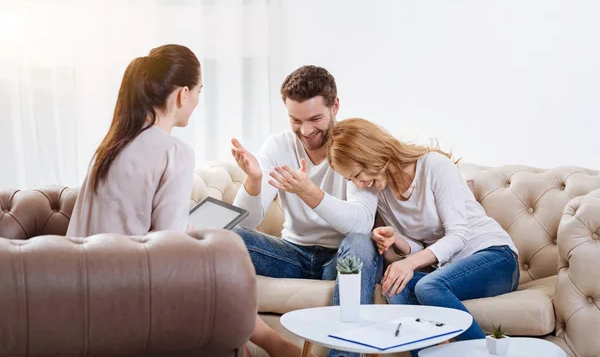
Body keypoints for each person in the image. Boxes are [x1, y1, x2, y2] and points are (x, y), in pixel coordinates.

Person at [66, 44, 305, 357]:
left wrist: (187, 229)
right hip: (129, 291)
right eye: (199, 91)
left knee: (218, 281)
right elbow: (169, 250)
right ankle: (276, 345)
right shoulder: (173, 152)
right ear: (182, 94)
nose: (196, 101)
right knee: (221, 274)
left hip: (81, 288)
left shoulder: (109, 147)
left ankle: (268, 344)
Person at [326, 118, 520, 356]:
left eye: (357, 174)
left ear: (371, 153)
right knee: (393, 287)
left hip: (496, 258)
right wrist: (396, 239)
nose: (359, 183)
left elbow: (458, 236)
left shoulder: (434, 166)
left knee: (428, 285)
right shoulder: (381, 190)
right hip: (449, 269)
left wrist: (408, 264)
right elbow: (424, 249)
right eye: (351, 180)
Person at [230, 66, 382, 357]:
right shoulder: (278, 146)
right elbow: (248, 221)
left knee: (361, 244)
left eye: (315, 119)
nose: (306, 131)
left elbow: (361, 224)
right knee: (226, 237)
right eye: (296, 121)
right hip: (291, 255)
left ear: (334, 106)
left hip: (340, 257)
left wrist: (309, 193)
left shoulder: (354, 143)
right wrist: (254, 180)